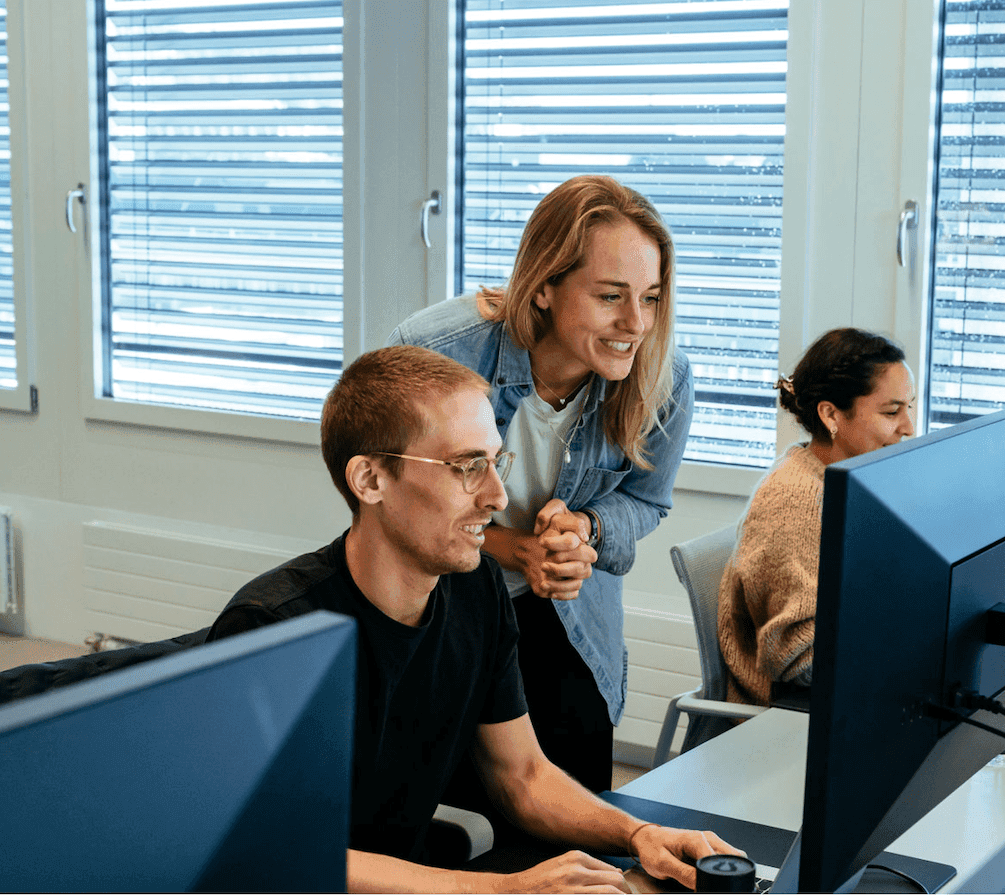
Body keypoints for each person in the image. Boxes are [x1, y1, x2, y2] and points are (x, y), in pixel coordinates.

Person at [205, 345, 737, 892]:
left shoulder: (475, 589)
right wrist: (496, 890)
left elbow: (523, 777)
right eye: (467, 466)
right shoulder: (270, 631)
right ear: (370, 481)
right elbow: (270, 852)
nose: (498, 495)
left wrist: (638, 833)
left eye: (496, 461)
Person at [389, 175, 693, 794]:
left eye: (652, 297)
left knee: (570, 804)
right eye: (611, 296)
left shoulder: (665, 377)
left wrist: (585, 529)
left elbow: (645, 501)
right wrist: (513, 548)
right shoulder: (434, 353)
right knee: (441, 806)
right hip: (445, 596)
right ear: (547, 286)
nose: (635, 323)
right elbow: (392, 500)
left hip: (565, 610)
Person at [717, 328, 916, 706]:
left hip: (844, 690)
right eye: (892, 411)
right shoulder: (797, 500)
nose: (908, 427)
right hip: (794, 714)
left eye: (909, 407)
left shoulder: (857, 478)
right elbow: (801, 659)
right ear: (831, 414)